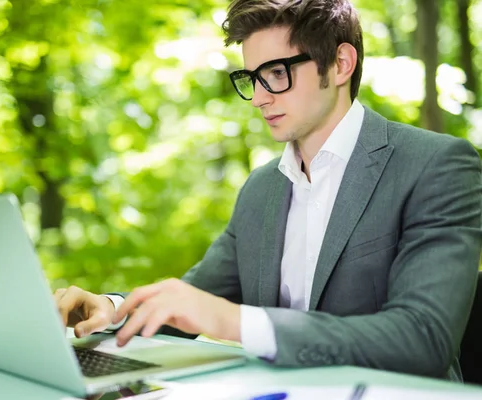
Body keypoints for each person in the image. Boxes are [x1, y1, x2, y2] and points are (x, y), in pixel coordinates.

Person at [53, 0, 482, 380]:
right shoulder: (262, 188)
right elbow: (196, 299)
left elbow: (424, 339)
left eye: (276, 73)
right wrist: (111, 308)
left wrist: (240, 324)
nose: (258, 97)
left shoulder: (435, 165)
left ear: (340, 64)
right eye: (250, 77)